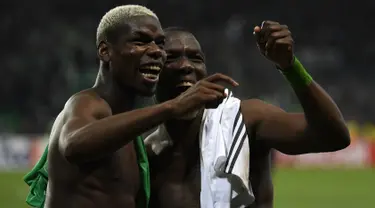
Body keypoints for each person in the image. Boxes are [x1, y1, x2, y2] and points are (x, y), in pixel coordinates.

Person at [23, 5, 238, 208]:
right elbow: (73, 144)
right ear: (105, 51)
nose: (156, 51)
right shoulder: (86, 103)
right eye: (140, 41)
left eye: (160, 43)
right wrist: (173, 107)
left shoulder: (131, 134)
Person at [146, 22, 350, 208]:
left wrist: (290, 67)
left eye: (196, 58)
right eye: (172, 58)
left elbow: (333, 136)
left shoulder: (243, 118)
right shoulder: (143, 143)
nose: (186, 65)